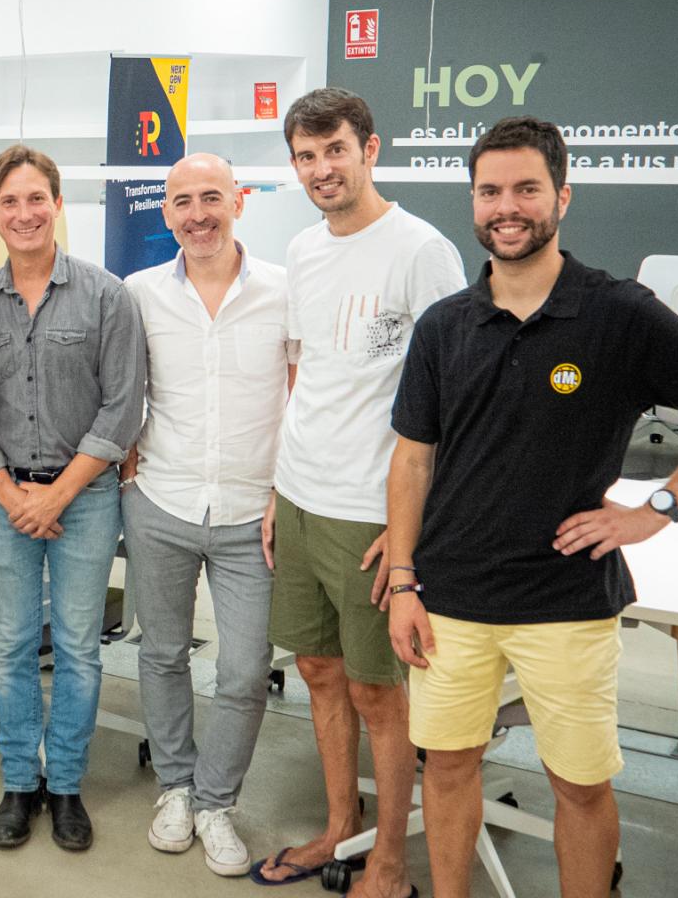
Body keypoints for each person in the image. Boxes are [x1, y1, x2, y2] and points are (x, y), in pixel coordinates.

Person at [387, 117, 678, 898]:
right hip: (450, 596)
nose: (507, 206)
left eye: (526, 188)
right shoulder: (444, 326)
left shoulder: (619, 314)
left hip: (565, 599)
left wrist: (657, 507)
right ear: (473, 201)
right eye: (490, 191)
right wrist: (401, 578)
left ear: (561, 196)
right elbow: (412, 457)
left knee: (581, 786)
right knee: (451, 767)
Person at [256, 87, 464, 896]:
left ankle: (390, 856)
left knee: (379, 689)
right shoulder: (305, 250)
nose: (320, 169)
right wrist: (279, 487)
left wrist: (413, 529)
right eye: (305, 157)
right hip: (303, 495)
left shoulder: (421, 250)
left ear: (370, 148)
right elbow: (307, 376)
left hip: (374, 511)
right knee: (316, 669)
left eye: (334, 150)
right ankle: (340, 827)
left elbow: (459, 397)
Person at [0, 144, 143, 853]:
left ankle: (65, 784)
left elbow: (122, 409)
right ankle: (19, 782)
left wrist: (59, 495)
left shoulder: (106, 295)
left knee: (76, 646)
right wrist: (13, 496)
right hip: (4, 498)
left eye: (36, 198)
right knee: (9, 646)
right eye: (9, 201)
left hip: (88, 499)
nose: (24, 212)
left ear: (58, 203)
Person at [121, 153, 292, 875]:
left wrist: (286, 490)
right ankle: (176, 788)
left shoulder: (286, 291)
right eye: (183, 201)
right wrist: (123, 443)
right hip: (161, 498)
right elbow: (122, 383)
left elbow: (302, 393)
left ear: (239, 202)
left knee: (246, 668)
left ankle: (217, 801)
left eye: (212, 197)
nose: (198, 214)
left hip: (253, 511)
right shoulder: (139, 293)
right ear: (165, 213)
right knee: (160, 654)